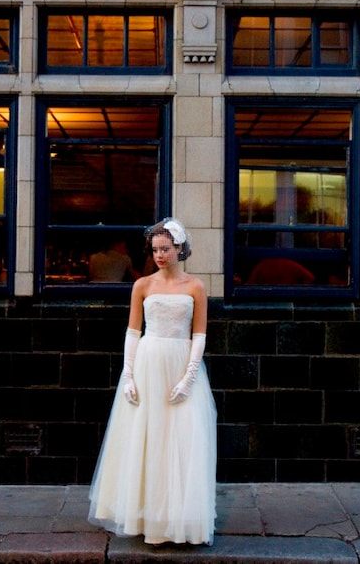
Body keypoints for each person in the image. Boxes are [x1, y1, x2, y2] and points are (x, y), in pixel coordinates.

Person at [88, 217, 217, 546]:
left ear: (180, 248)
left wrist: (189, 376)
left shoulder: (195, 287)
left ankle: (179, 518)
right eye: (156, 249)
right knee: (148, 437)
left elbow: (199, 334)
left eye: (167, 249)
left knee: (183, 439)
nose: (160, 255)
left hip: (180, 363)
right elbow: (133, 332)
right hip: (148, 363)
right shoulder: (142, 285)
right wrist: (128, 374)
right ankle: (148, 518)